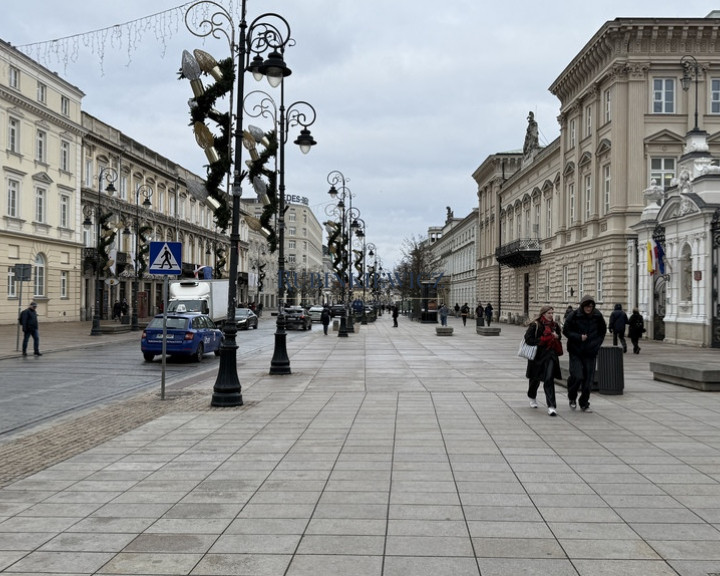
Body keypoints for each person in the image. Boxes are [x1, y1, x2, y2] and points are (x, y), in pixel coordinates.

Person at [562, 295, 606, 413]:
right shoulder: (574, 315)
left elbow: (602, 332)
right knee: (577, 376)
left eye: (591, 306)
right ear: (582, 306)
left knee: (588, 380)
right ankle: (572, 397)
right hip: (576, 350)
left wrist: (596, 345)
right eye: (587, 306)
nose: (589, 308)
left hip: (590, 352)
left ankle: (584, 403)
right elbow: (566, 330)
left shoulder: (597, 316)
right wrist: (578, 337)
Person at [524, 305, 562, 416]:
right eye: (549, 313)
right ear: (543, 314)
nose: (551, 315)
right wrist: (542, 340)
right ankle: (532, 396)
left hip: (550, 356)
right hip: (537, 357)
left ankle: (551, 406)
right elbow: (528, 339)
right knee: (534, 379)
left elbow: (559, 337)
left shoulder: (555, 326)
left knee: (549, 379)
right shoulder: (536, 325)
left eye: (552, 313)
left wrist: (556, 337)